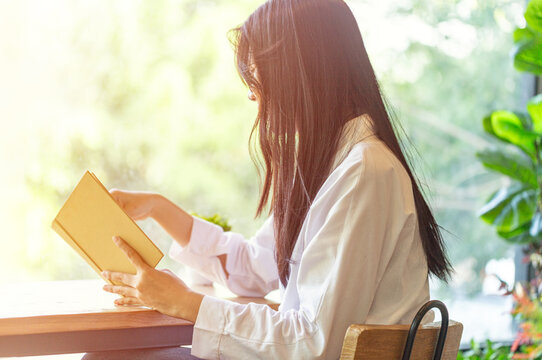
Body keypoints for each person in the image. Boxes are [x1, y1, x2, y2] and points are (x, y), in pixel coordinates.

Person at [91, 0, 452, 358]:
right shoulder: (334, 167)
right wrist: (159, 209)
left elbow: (314, 343)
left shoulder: (364, 174)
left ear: (301, 73)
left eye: (256, 77)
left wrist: (188, 304)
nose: (252, 94)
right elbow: (254, 266)